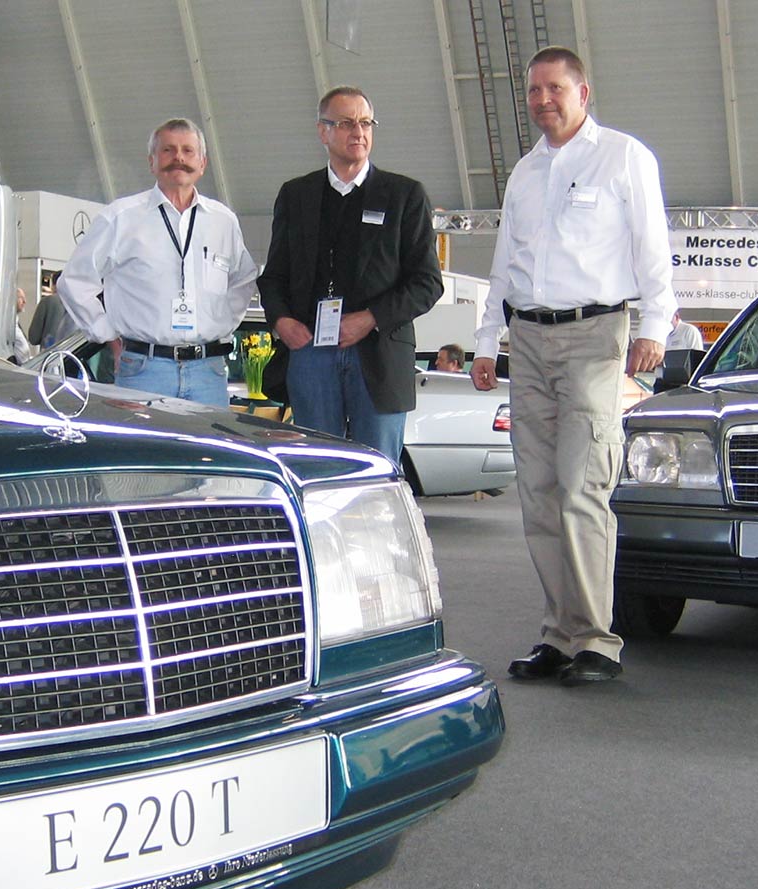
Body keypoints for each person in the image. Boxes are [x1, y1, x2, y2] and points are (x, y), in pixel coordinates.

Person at [469, 46, 676, 687]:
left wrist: (655, 327)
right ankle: (558, 634)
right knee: (538, 493)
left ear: (583, 93)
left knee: (583, 487)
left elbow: (652, 245)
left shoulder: (623, 156)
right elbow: (504, 264)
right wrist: (486, 340)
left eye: (555, 88)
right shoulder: (526, 172)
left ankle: (596, 640)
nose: (542, 100)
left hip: (594, 335)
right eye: (534, 90)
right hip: (528, 339)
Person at [257, 86, 443, 461]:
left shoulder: (404, 195)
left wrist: (370, 318)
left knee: (376, 468)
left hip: (379, 354)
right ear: (322, 132)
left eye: (366, 123)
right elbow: (273, 276)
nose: (358, 132)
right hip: (311, 351)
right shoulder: (296, 195)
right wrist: (281, 322)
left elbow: (427, 282)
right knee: (318, 465)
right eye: (346, 123)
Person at [58, 119, 257, 405]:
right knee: (143, 438)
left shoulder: (223, 221)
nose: (179, 158)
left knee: (209, 439)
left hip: (209, 372)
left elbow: (244, 278)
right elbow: (74, 281)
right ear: (151, 162)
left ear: (202, 163)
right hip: (144, 371)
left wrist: (223, 324)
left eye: (188, 151)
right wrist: (108, 335)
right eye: (168, 150)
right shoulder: (121, 217)